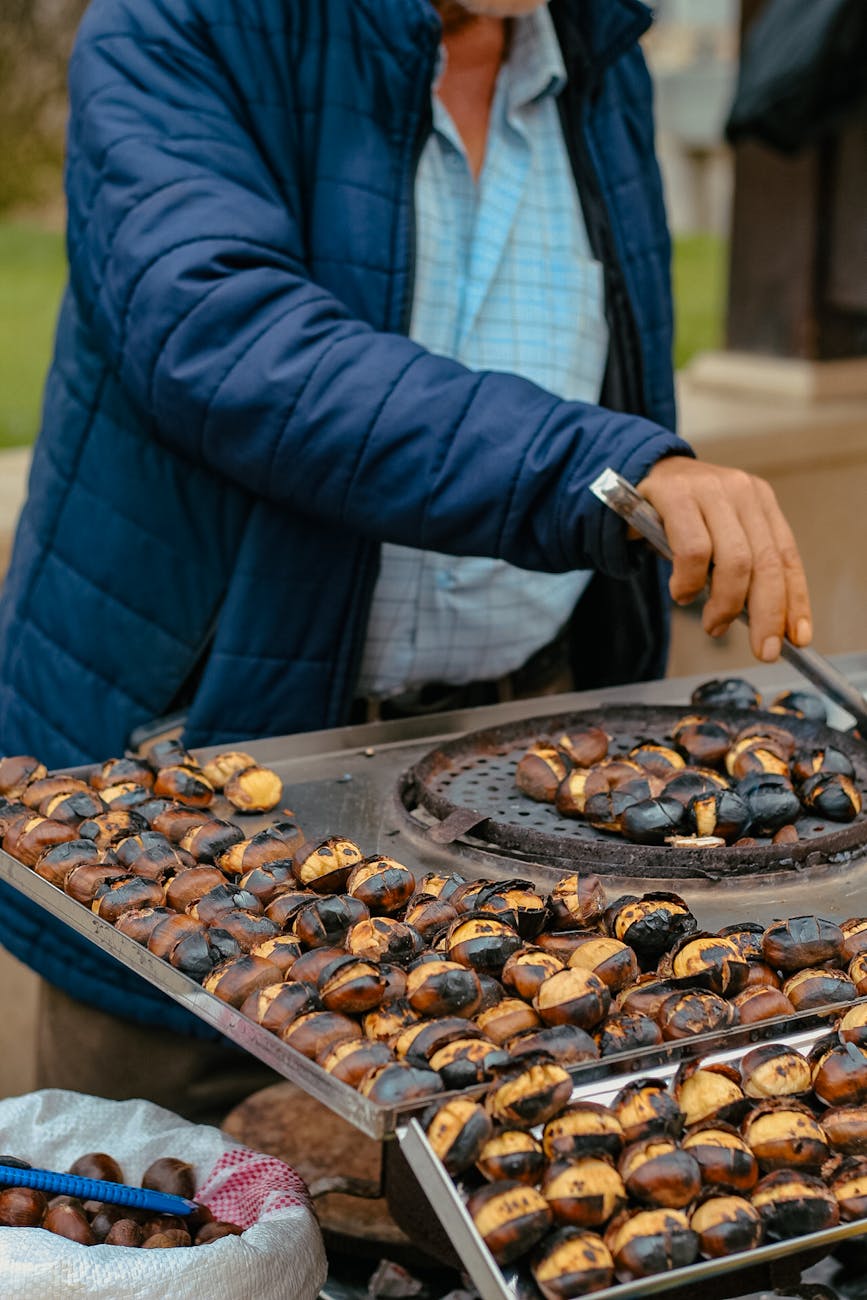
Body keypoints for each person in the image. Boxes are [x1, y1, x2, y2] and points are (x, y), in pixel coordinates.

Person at [0, 0, 812, 1118]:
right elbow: (222, 336)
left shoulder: (594, 51)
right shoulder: (174, 23)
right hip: (218, 803)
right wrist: (605, 472)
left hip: (510, 798)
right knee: (178, 1233)